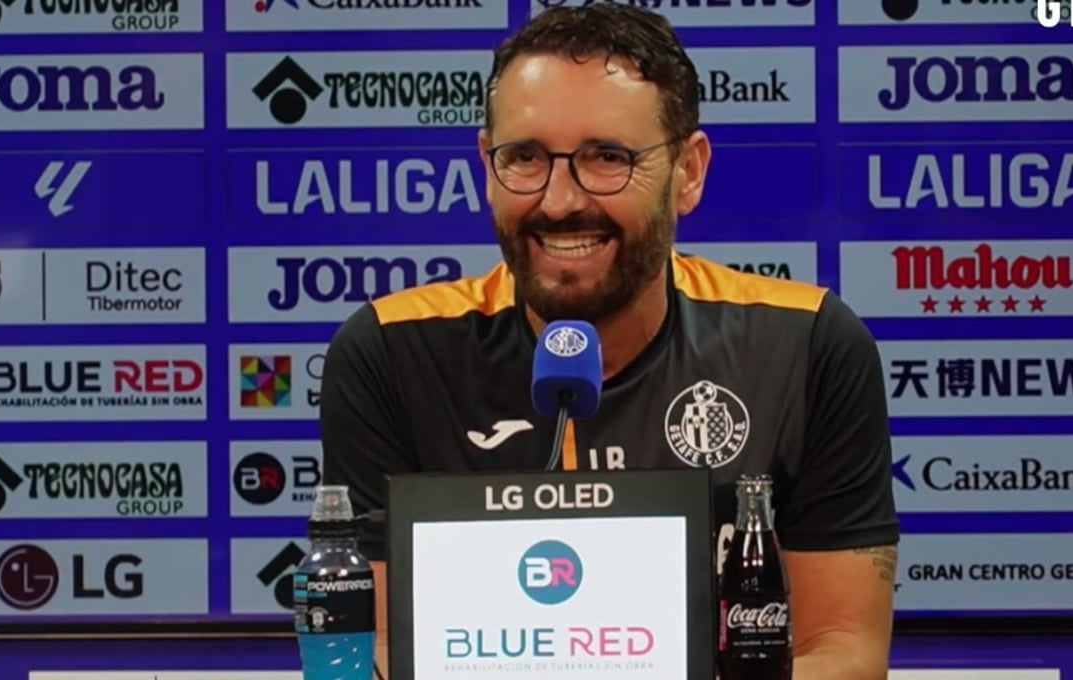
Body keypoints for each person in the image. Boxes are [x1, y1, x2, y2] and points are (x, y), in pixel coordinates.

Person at [319, 3, 900, 678]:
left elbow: (842, 650)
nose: (560, 201)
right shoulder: (392, 351)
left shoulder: (805, 343)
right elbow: (374, 654)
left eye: (607, 158)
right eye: (524, 157)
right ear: (485, 164)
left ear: (688, 171)